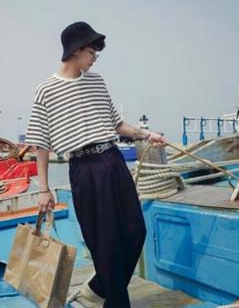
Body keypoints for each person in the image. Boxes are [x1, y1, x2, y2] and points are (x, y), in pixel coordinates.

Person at [25, 21, 167, 308]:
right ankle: (115, 300)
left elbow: (116, 124)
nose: (95, 58)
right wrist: (44, 189)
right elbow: (41, 144)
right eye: (92, 52)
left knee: (135, 231)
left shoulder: (97, 82)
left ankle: (102, 285)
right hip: (84, 169)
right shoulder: (46, 91)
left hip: (113, 160)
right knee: (105, 243)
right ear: (76, 50)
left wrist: (146, 134)